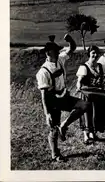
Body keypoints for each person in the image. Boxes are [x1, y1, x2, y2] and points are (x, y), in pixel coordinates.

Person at [35, 34, 89, 162]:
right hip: (52, 100)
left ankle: (64, 126)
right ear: (49, 53)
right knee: (53, 128)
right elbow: (43, 95)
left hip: (64, 95)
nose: (59, 52)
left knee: (84, 105)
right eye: (56, 50)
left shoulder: (60, 59)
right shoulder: (43, 72)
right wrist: (47, 114)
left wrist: (69, 39)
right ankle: (55, 154)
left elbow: (72, 48)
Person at [76, 45, 105, 143]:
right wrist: (79, 86)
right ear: (89, 54)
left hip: (98, 94)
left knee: (96, 113)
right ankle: (86, 135)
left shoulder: (101, 66)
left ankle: (93, 133)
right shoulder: (84, 67)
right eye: (93, 53)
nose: (95, 55)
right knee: (87, 114)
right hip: (87, 95)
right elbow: (79, 80)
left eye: (96, 53)